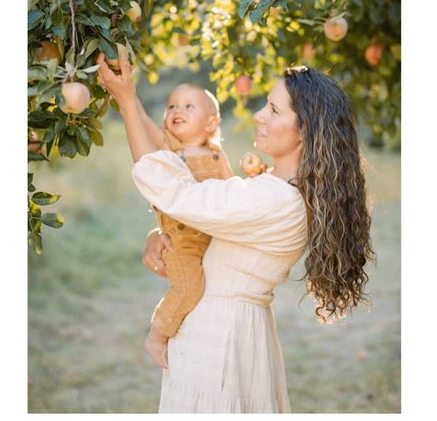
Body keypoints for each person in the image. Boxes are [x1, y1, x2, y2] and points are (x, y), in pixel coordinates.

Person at [96, 51, 375, 414]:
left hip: (219, 337)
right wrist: (158, 232)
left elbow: (181, 196)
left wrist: (127, 100)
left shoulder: (276, 198)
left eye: (274, 111)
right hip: (230, 329)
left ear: (304, 128)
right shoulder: (274, 189)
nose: (259, 115)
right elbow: (211, 220)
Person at [132, 79, 235, 368]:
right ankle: (157, 335)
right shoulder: (169, 148)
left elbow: (232, 191)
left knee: (209, 292)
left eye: (189, 106)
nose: (178, 110)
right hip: (181, 241)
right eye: (172, 106)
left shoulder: (217, 155)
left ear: (210, 122)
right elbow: (140, 122)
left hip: (211, 238)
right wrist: (131, 98)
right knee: (189, 288)